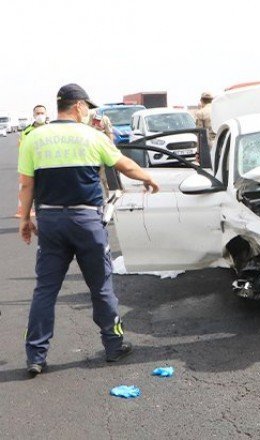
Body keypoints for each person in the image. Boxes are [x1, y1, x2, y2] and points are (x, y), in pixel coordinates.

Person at [18, 84, 160, 376]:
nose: (88, 113)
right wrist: (148, 178)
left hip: (51, 223)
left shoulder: (34, 138)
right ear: (79, 106)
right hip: (87, 223)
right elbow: (125, 165)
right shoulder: (91, 136)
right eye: (87, 108)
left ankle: (35, 356)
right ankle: (114, 345)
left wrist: (24, 219)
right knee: (100, 286)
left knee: (45, 290)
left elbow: (26, 184)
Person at [15, 105, 49, 218]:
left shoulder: (51, 129)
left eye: (42, 113)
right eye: (38, 113)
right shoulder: (26, 131)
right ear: (34, 115)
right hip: (32, 165)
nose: (40, 115)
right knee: (30, 189)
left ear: (46, 114)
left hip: (48, 165)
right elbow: (22, 148)